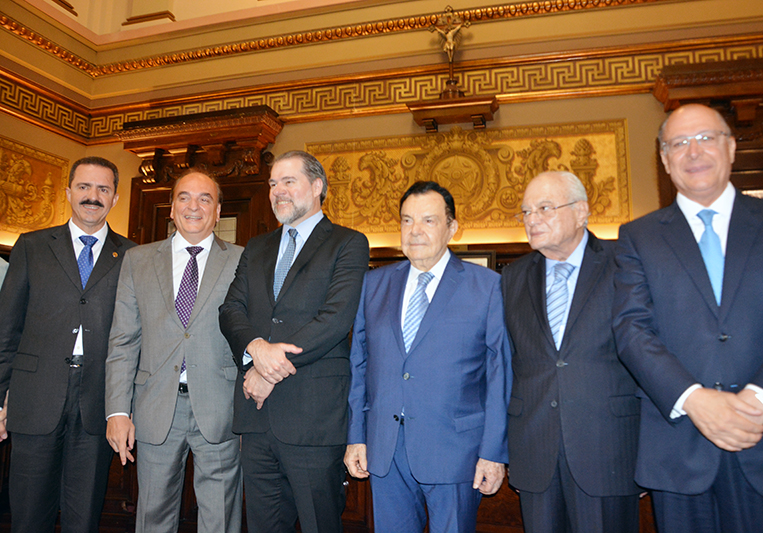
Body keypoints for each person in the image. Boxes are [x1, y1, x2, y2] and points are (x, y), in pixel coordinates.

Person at [613, 103, 763, 533]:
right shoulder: (637, 237)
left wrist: (758, 398)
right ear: (664, 159)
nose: (692, 151)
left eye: (705, 138)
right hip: (679, 452)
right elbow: (631, 329)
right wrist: (694, 399)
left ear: (731, 147)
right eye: (678, 143)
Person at [345, 180, 512, 533]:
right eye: (407, 220)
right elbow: (359, 365)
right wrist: (356, 436)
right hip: (385, 451)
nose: (415, 231)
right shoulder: (374, 284)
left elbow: (500, 376)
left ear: (452, 227)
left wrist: (494, 452)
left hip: (456, 453)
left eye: (428, 221)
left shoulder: (487, 286)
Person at [219, 150, 370, 533]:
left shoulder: (348, 243)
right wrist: (256, 351)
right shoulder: (256, 247)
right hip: (256, 419)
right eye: (272, 183)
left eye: (289, 181)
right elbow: (230, 310)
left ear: (317, 186)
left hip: (313, 420)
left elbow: (334, 320)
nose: (277, 191)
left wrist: (267, 373)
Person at [0, 156, 136, 532]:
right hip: (34, 398)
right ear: (68, 192)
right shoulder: (31, 246)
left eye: (103, 189)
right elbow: (6, 329)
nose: (93, 197)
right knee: (28, 517)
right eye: (84, 187)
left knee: (84, 519)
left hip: (97, 403)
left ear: (115, 198)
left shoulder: (134, 257)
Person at [105, 170, 243, 533]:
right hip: (154, 407)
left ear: (218, 212)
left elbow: (253, 333)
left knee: (221, 521)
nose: (193, 206)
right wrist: (117, 411)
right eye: (184, 197)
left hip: (221, 406)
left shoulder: (245, 260)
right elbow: (123, 339)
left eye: (205, 199)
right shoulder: (137, 261)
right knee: (153, 517)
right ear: (171, 208)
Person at [502, 171, 640, 533]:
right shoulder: (512, 277)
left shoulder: (624, 262)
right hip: (535, 451)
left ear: (582, 211)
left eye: (544, 208)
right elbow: (507, 362)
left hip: (608, 448)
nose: (533, 220)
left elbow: (647, 351)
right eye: (526, 212)